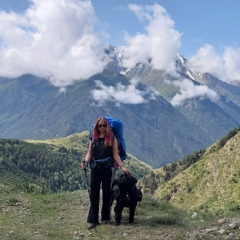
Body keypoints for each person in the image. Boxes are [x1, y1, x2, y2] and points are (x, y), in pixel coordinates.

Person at [81, 116, 130, 230]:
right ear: (96, 127)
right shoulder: (93, 138)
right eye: (100, 126)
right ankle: (94, 220)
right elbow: (89, 153)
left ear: (107, 126)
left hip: (107, 168)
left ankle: (105, 217)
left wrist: (122, 166)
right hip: (95, 168)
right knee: (94, 193)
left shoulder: (112, 138)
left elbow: (115, 155)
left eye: (104, 125)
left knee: (107, 193)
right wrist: (85, 162)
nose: (102, 128)